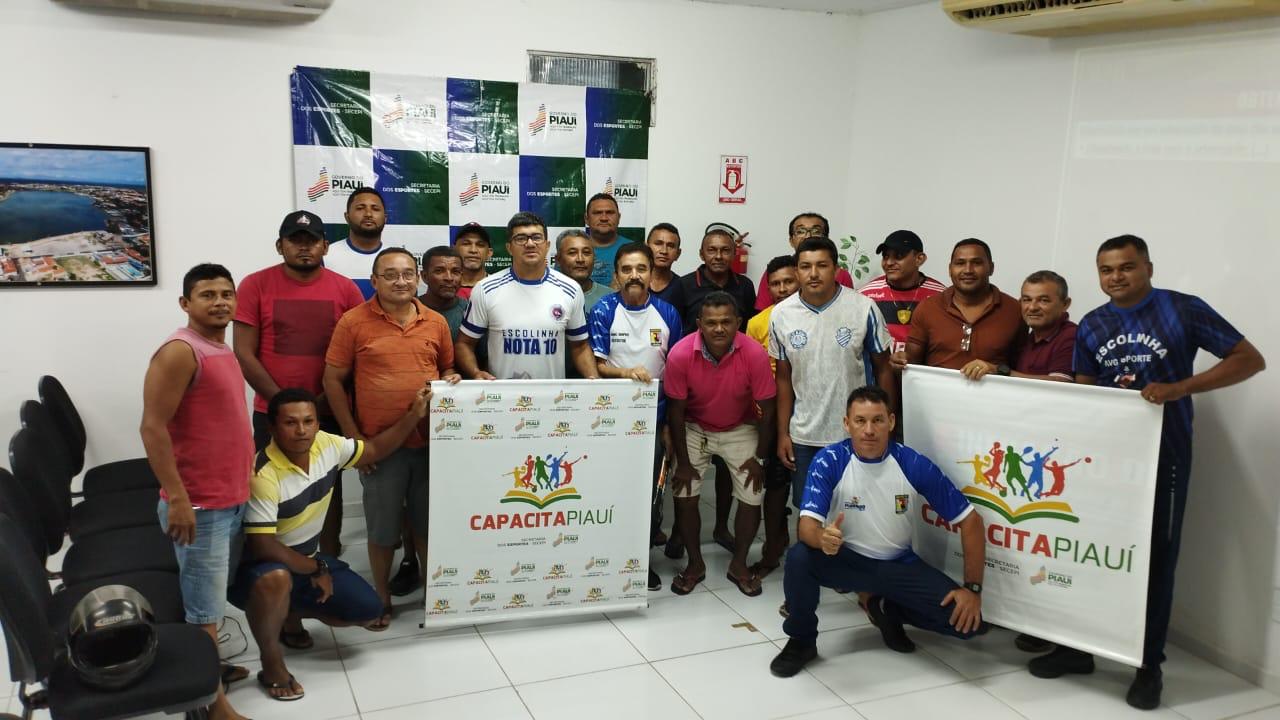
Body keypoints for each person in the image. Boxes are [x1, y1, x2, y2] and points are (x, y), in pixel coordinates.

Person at [1032, 234, 1265, 710]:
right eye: (1106, 269)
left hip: (1166, 458)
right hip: (1105, 464)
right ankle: (1078, 648)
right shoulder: (1093, 324)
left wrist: (1181, 388)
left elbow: (1249, 360)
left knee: (1155, 563)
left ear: (1148, 268)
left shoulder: (1182, 309)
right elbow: (1085, 392)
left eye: (1126, 267)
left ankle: (1147, 667)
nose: (1116, 277)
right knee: (1088, 555)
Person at [770, 386, 986, 678]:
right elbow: (806, 527)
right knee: (800, 558)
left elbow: (971, 521)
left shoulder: (912, 463)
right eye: (860, 421)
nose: (869, 430)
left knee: (969, 624)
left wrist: (972, 589)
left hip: (898, 565)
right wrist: (822, 538)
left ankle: (885, 608)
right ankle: (801, 641)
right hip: (846, 560)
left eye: (878, 420)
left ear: (891, 422)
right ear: (847, 423)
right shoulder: (829, 460)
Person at [231, 386, 430, 701]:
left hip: (303, 559)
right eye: (290, 422)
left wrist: (413, 416)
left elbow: (374, 449)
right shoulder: (262, 474)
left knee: (368, 609)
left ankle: (288, 616)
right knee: (277, 579)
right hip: (260, 572)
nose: (301, 430)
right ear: (272, 428)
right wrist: (317, 567)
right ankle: (271, 663)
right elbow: (263, 547)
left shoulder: (327, 444)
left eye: (308, 421)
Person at [140, 263, 254, 720]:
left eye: (226, 294)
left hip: (228, 498)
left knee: (211, 601)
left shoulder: (219, 348)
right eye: (207, 295)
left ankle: (209, 672)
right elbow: (152, 428)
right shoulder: (180, 351)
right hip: (200, 505)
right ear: (185, 303)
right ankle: (212, 705)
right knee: (203, 611)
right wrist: (178, 498)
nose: (220, 302)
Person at [323, 247, 459, 629]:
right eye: (390, 274)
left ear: (418, 278)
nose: (401, 281)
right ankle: (380, 597)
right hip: (379, 447)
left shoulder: (435, 322)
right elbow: (332, 381)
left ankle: (434, 596)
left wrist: (451, 378)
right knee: (382, 529)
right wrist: (354, 440)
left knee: (427, 526)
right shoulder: (353, 322)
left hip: (430, 444)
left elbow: (447, 368)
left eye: (407, 274)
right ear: (375, 280)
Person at [232, 210, 364, 558]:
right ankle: (274, 563)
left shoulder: (346, 289)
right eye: (295, 241)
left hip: (327, 409)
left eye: (312, 241)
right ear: (280, 246)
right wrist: (284, 407)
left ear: (325, 246)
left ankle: (329, 558)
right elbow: (244, 352)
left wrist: (319, 404)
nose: (304, 248)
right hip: (271, 410)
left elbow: (357, 357)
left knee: (327, 486)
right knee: (268, 486)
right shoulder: (254, 285)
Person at [664, 292, 777, 597]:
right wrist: (683, 463)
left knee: (752, 495)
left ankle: (739, 564)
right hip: (694, 426)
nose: (718, 329)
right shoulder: (680, 353)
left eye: (726, 321)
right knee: (684, 492)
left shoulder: (754, 353)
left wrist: (760, 458)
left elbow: (768, 410)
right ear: (699, 323)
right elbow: (676, 411)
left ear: (738, 323)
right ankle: (695, 563)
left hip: (740, 427)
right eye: (711, 322)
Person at [773, 237, 893, 515]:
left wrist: (886, 423)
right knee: (810, 512)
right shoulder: (781, 314)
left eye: (822, 265)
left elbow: (884, 368)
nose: (813, 274)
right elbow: (783, 378)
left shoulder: (863, 308)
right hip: (804, 435)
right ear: (796, 270)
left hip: (856, 432)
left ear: (836, 269)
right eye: (805, 266)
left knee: (858, 510)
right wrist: (783, 433)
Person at [588, 242, 683, 592]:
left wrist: (670, 426)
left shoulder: (668, 313)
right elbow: (596, 366)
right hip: (609, 422)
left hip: (655, 422)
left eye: (641, 269)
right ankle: (604, 559)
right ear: (616, 275)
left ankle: (641, 563)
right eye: (626, 269)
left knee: (650, 497)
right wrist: (626, 373)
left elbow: (678, 371)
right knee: (610, 493)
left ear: (651, 274)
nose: (634, 276)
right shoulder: (603, 310)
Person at [456, 212, 599, 380]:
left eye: (536, 237)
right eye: (521, 238)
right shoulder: (485, 289)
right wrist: (475, 372)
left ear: (547, 245)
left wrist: (595, 381)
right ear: (509, 248)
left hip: (553, 395)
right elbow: (464, 344)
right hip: (502, 394)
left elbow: (580, 346)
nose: (530, 244)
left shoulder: (571, 289)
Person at [745, 255, 799, 578]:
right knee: (775, 483)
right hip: (772, 413)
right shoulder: (757, 323)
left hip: (808, 411)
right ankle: (772, 548)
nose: (781, 289)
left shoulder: (813, 317)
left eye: (788, 282)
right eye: (775, 284)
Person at [897, 239, 1024, 376]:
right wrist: (899, 362)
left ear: (991, 268)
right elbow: (911, 364)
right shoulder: (928, 308)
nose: (968, 270)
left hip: (994, 390)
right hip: (935, 389)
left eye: (977, 263)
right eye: (960, 263)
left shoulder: (1015, 310)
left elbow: (1022, 368)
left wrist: (997, 370)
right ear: (950, 269)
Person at [858, 230, 946, 354]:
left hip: (923, 365)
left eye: (898, 256)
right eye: (885, 256)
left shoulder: (941, 296)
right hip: (881, 365)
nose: (889, 263)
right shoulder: (866, 295)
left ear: (919, 259)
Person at [754, 212, 853, 311]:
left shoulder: (840, 274)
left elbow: (849, 310)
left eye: (816, 231)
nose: (808, 236)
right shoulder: (776, 272)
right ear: (791, 240)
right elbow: (764, 314)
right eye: (801, 231)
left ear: (826, 238)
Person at [677, 224, 756, 334]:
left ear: (734, 254)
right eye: (712, 250)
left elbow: (751, 329)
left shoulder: (745, 285)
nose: (719, 256)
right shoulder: (683, 285)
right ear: (701, 254)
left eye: (725, 250)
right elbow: (676, 329)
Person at [584, 193, 631, 287]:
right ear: (586, 219)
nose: (604, 218)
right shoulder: (571, 251)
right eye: (597, 213)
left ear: (619, 217)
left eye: (610, 213)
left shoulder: (633, 250)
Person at [646, 222, 687, 318]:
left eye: (671, 246)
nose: (664, 251)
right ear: (646, 248)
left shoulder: (684, 287)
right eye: (658, 243)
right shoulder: (634, 281)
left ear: (678, 254)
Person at [454, 222, 493, 300]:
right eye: (466, 244)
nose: (473, 250)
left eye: (480, 245)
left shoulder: (500, 289)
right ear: (454, 249)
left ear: (489, 253)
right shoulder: (443, 289)